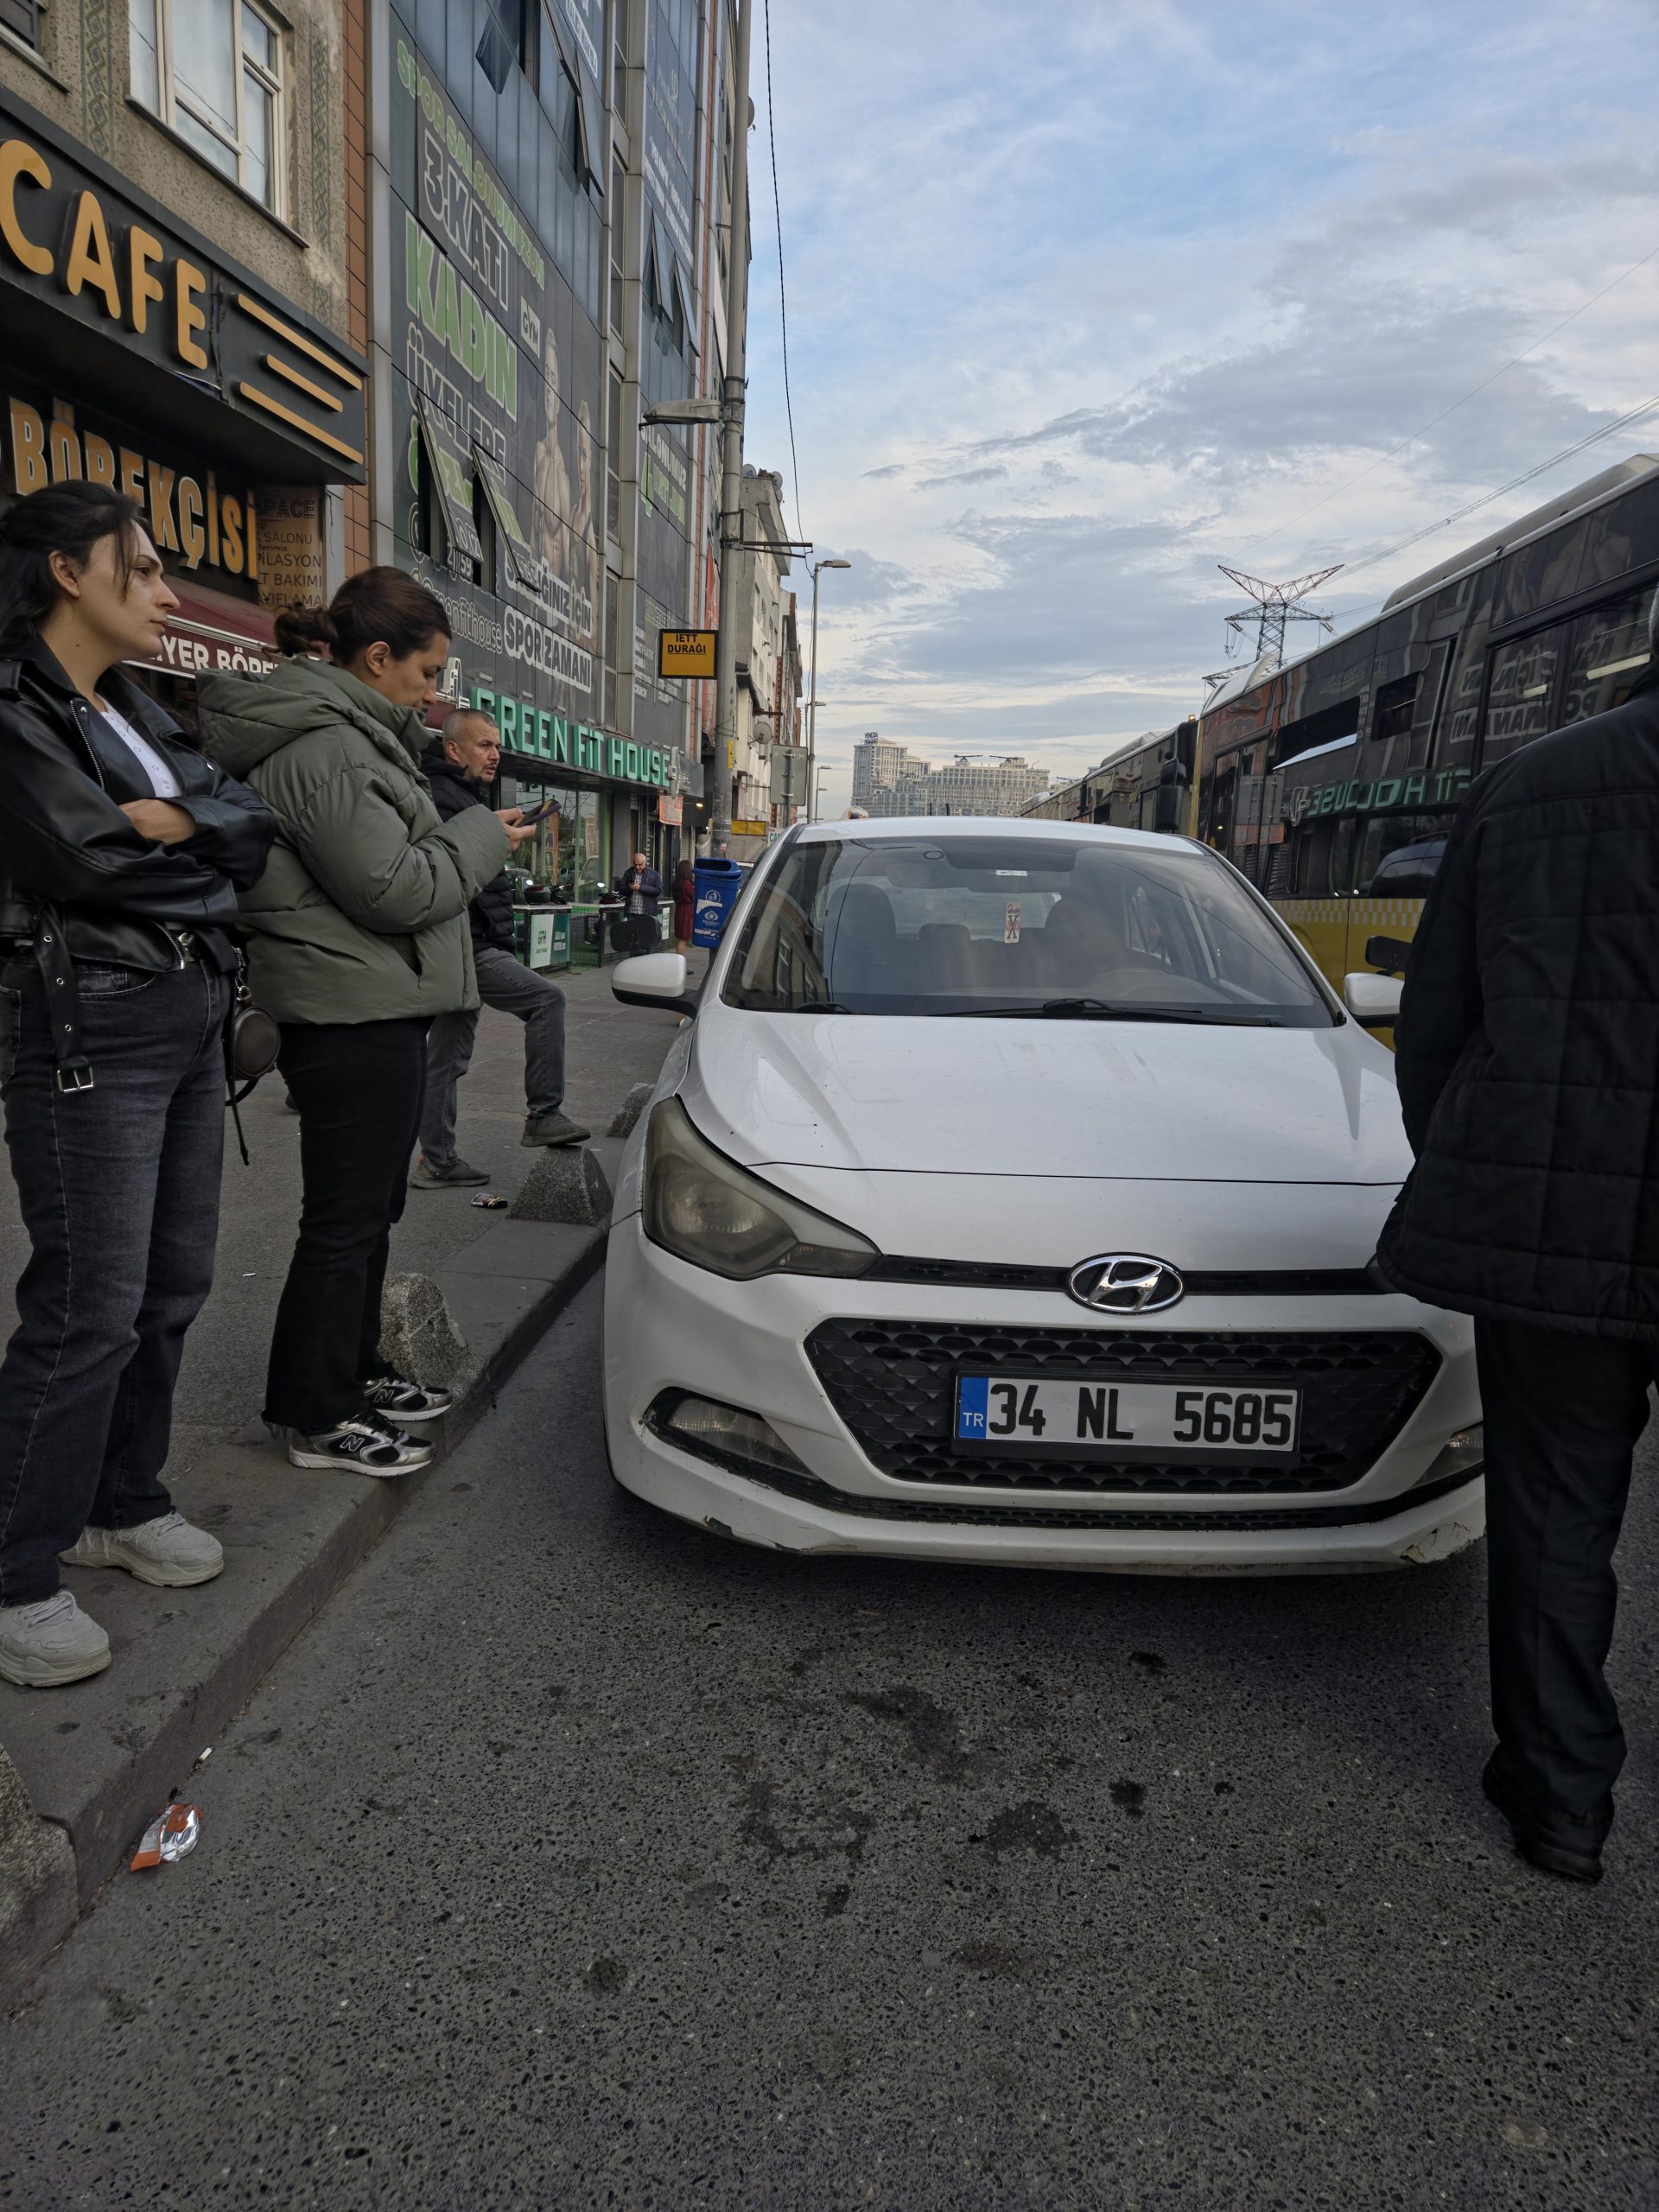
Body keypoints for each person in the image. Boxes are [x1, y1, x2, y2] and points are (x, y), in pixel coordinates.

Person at [1375, 597, 1659, 1885]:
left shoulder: (1536, 783)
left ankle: (1562, 1808)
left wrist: (1474, 1169)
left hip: (1551, 1221)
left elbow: (1438, 1019)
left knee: (1552, 1516)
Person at [0, 481, 275, 1689]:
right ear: (72, 571)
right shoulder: (13, 702)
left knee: (173, 1286)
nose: (170, 593)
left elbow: (247, 823)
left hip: (183, 1007)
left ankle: (124, 1500)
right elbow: (78, 856)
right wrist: (183, 843)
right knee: (87, 1306)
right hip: (86, 1024)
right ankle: (17, 1571)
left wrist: (174, 828)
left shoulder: (132, 707)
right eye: (147, 568)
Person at [196, 571, 535, 1475]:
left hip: (372, 998)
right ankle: (315, 1413)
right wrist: (486, 840)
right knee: (344, 1219)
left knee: (371, 1209)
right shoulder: (326, 749)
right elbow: (395, 888)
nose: (435, 693)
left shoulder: (354, 738)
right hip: (347, 1007)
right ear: (376, 658)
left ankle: (351, 1371)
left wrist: (465, 838)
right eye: (427, 673)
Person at [411, 708, 590, 1189]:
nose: (495, 755)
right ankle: (543, 1115)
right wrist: (495, 838)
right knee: (546, 999)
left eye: (497, 745)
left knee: (444, 1059)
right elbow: (449, 868)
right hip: (467, 943)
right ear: (454, 750)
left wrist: (493, 831)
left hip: (465, 942)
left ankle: (437, 1161)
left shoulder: (462, 794)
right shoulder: (442, 795)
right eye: (484, 745)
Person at [618, 850, 663, 956]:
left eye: (640, 865)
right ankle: (633, 960)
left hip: (647, 912)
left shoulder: (654, 874)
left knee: (647, 938)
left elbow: (658, 890)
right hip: (632, 912)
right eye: (635, 865)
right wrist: (630, 888)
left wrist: (641, 888)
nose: (637, 867)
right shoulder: (628, 873)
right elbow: (621, 889)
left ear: (645, 863)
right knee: (633, 940)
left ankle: (647, 960)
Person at [671, 855, 696, 954]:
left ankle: (679, 960)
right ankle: (679, 961)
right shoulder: (687, 884)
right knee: (683, 939)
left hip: (680, 910)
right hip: (687, 912)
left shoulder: (677, 883)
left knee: (681, 938)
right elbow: (693, 895)